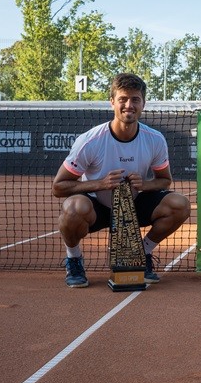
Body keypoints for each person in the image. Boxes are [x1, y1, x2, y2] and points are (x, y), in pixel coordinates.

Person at [52, 73, 191, 288]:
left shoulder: (155, 139)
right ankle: (74, 259)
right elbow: (59, 187)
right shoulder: (90, 141)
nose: (129, 105)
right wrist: (100, 184)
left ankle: (142, 254)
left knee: (180, 205)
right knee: (72, 208)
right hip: (96, 207)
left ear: (143, 103)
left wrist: (144, 185)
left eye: (135, 99)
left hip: (133, 207)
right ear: (112, 103)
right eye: (123, 99)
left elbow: (165, 181)